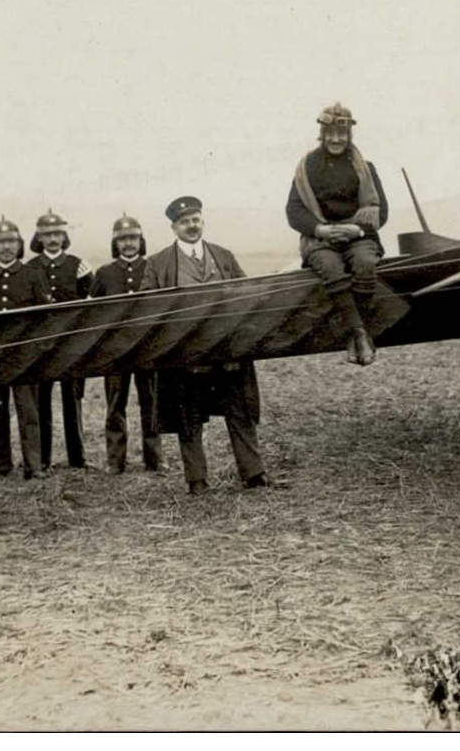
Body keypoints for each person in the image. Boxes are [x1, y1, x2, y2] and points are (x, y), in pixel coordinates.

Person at [140, 196, 269, 495]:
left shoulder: (223, 256)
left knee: (240, 413)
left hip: (228, 355)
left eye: (195, 219)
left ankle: (254, 474)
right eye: (184, 222)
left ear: (202, 221)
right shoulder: (158, 264)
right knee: (189, 418)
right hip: (186, 359)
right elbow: (146, 304)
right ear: (174, 227)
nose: (191, 226)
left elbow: (246, 294)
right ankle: (196, 480)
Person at [286, 102, 390, 366]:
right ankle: (358, 333)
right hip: (320, 237)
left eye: (341, 134)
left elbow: (382, 211)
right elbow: (294, 210)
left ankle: (359, 330)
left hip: (358, 235)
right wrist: (320, 229)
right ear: (322, 133)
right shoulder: (306, 167)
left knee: (366, 264)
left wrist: (356, 229)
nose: (335, 139)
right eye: (330, 133)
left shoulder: (366, 167)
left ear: (349, 135)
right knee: (330, 268)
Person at [0, 217, 50, 480]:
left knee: (29, 412)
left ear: (19, 245)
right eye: (0, 243)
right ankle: (2, 466)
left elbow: (45, 319)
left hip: (25, 358)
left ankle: (34, 466)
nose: (6, 247)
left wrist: (37, 352)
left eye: (11, 242)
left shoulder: (33, 276)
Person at [91, 214, 161, 473]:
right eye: (122, 239)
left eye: (132, 238)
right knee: (115, 404)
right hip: (115, 351)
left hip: (147, 348)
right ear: (115, 243)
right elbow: (94, 312)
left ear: (140, 240)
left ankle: (154, 459)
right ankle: (115, 461)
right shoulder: (105, 274)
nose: (128, 243)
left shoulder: (153, 267)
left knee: (150, 403)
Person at [25, 209, 93, 471]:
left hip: (71, 347)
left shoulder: (78, 265)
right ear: (39, 238)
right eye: (47, 235)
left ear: (64, 236)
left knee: (72, 401)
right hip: (41, 348)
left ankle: (77, 459)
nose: (53, 239)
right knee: (41, 402)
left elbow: (93, 303)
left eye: (57, 233)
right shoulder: (30, 268)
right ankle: (43, 459)